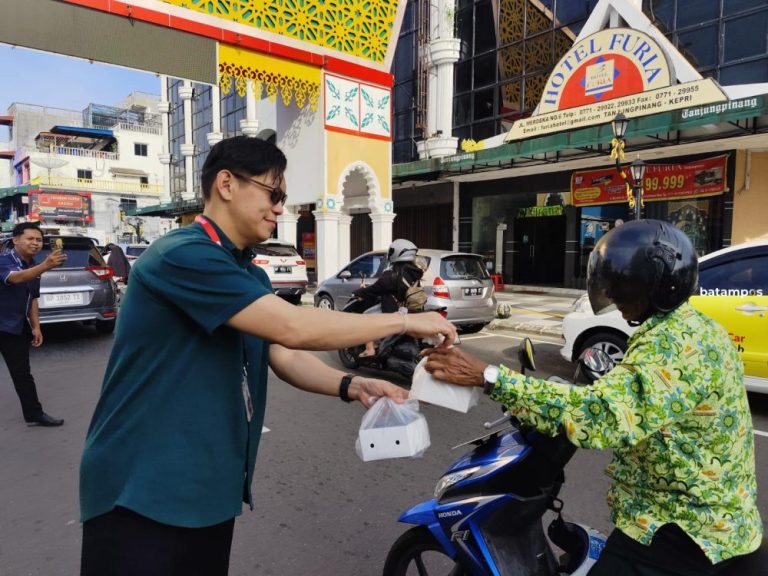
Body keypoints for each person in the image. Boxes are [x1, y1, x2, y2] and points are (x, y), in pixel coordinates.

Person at [79, 136, 456, 576]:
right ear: (226, 184)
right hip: (141, 490)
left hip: (208, 490)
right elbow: (293, 326)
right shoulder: (183, 255)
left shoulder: (247, 274)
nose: (280, 208)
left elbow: (283, 352)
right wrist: (406, 321)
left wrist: (354, 384)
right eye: (273, 194)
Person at [423, 219, 762, 575]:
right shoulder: (692, 326)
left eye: (623, 285)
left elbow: (601, 416)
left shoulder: (674, 345)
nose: (613, 295)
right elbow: (634, 392)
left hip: (683, 528)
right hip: (708, 514)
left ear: (657, 287)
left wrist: (489, 376)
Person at [0, 222, 66, 426]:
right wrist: (45, 266)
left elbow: (33, 298)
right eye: (30, 239)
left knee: (22, 374)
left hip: (15, 327)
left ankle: (34, 414)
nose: (35, 243)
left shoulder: (33, 266)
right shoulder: (4, 261)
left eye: (39, 240)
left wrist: (36, 326)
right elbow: (15, 278)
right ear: (15, 240)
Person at [353, 238, 426, 357]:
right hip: (409, 308)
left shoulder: (392, 274)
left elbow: (375, 289)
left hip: (393, 308)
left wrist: (359, 292)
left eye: (392, 251)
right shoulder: (415, 271)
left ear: (397, 253)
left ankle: (370, 349)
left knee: (366, 317)